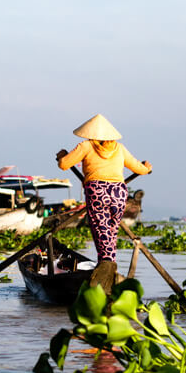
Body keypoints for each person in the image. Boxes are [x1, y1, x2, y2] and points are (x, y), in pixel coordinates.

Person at [56, 113, 152, 293]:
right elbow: (140, 168)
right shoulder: (120, 149)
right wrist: (147, 167)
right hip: (119, 192)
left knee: (101, 232)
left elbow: (64, 164)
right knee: (111, 234)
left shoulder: (85, 146)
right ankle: (108, 268)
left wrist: (62, 155)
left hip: (97, 191)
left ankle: (105, 271)